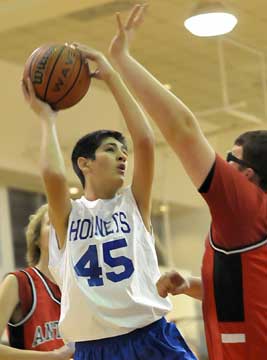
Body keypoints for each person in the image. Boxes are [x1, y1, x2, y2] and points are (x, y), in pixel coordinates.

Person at [108, 4, 267, 360]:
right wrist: (195, 286)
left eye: (230, 159)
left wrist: (122, 60)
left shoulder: (247, 211)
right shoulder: (247, 231)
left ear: (247, 176)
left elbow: (182, 128)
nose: (221, 166)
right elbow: (249, 299)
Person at [22, 44, 197, 360]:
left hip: (151, 337)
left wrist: (112, 75)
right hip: (95, 349)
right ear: (84, 163)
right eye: (111, 149)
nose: (122, 155)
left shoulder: (134, 203)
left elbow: (144, 141)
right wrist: (47, 120)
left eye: (122, 150)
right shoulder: (68, 217)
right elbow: (53, 176)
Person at [0, 204, 73, 359]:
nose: (58, 228)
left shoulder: (79, 287)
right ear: (37, 238)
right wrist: (54, 356)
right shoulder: (19, 282)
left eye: (65, 223)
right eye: (50, 222)